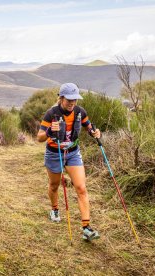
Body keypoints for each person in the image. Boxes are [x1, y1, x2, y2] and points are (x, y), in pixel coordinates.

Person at [36, 83, 101, 241]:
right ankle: (55, 209)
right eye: (69, 99)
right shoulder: (51, 113)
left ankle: (86, 228)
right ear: (61, 98)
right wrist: (50, 131)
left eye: (75, 99)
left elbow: (89, 127)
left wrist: (94, 133)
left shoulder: (80, 112)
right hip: (54, 153)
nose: (72, 103)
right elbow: (39, 137)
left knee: (81, 188)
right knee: (54, 185)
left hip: (72, 153)